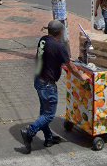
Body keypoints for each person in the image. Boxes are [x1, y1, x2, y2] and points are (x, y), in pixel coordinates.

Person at [20, 20, 86, 154]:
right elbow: (72, 67)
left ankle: (49, 138)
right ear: (60, 32)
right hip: (47, 84)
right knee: (49, 115)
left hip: (39, 79)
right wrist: (82, 76)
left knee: (44, 112)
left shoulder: (43, 40)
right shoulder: (59, 46)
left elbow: (51, 57)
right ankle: (29, 131)